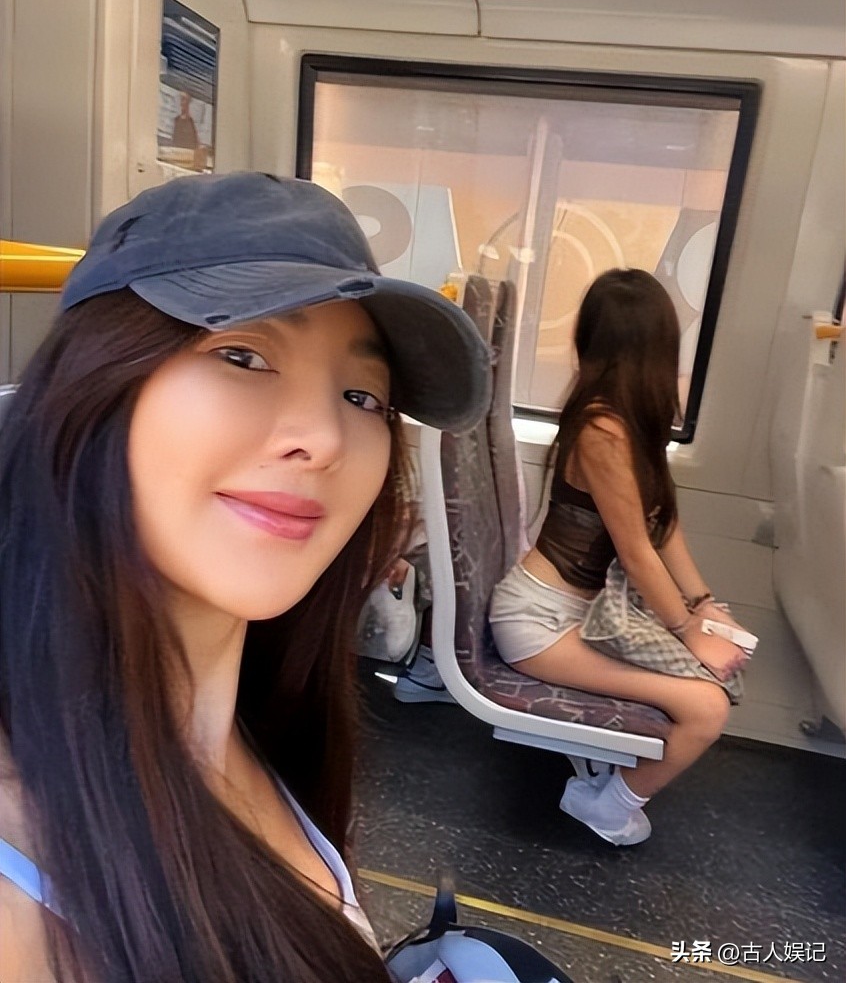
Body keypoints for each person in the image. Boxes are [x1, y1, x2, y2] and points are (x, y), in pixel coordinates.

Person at [0, 173, 490, 982]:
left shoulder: (263, 729)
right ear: (93, 383)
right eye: (242, 356)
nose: (323, 439)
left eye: (362, 396)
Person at [488, 268, 752, 847]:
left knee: (710, 675)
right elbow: (636, 554)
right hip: (539, 623)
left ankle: (609, 790)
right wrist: (688, 632)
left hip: (579, 616)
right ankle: (606, 806)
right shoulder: (602, 428)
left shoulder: (630, 422)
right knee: (706, 709)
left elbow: (663, 527)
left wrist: (706, 606)